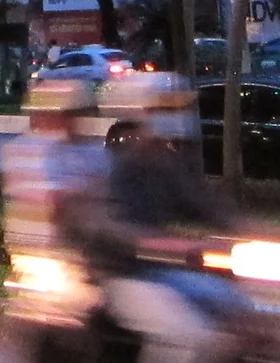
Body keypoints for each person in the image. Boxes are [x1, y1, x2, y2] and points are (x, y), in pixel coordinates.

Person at [72, 75, 245, 363]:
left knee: (246, 312)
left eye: (177, 108)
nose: (174, 115)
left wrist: (261, 232)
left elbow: (209, 208)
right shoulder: (113, 165)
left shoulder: (168, 165)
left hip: (162, 272)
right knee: (189, 337)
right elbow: (106, 223)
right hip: (121, 277)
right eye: (164, 108)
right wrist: (153, 243)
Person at [2, 76, 109, 354]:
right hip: (44, 257)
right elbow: (53, 203)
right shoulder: (25, 152)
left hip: (94, 253)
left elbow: (110, 195)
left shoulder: (93, 152)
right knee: (81, 307)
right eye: (68, 114)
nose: (75, 121)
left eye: (79, 113)